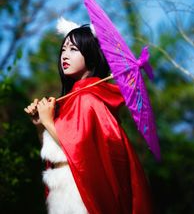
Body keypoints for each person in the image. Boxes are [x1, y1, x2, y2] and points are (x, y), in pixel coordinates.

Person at [24, 21, 154, 214]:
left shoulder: (88, 98)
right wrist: (40, 125)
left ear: (91, 58)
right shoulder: (71, 99)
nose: (65, 55)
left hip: (80, 194)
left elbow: (80, 150)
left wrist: (48, 121)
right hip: (61, 191)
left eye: (74, 49)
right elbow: (56, 151)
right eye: (63, 49)